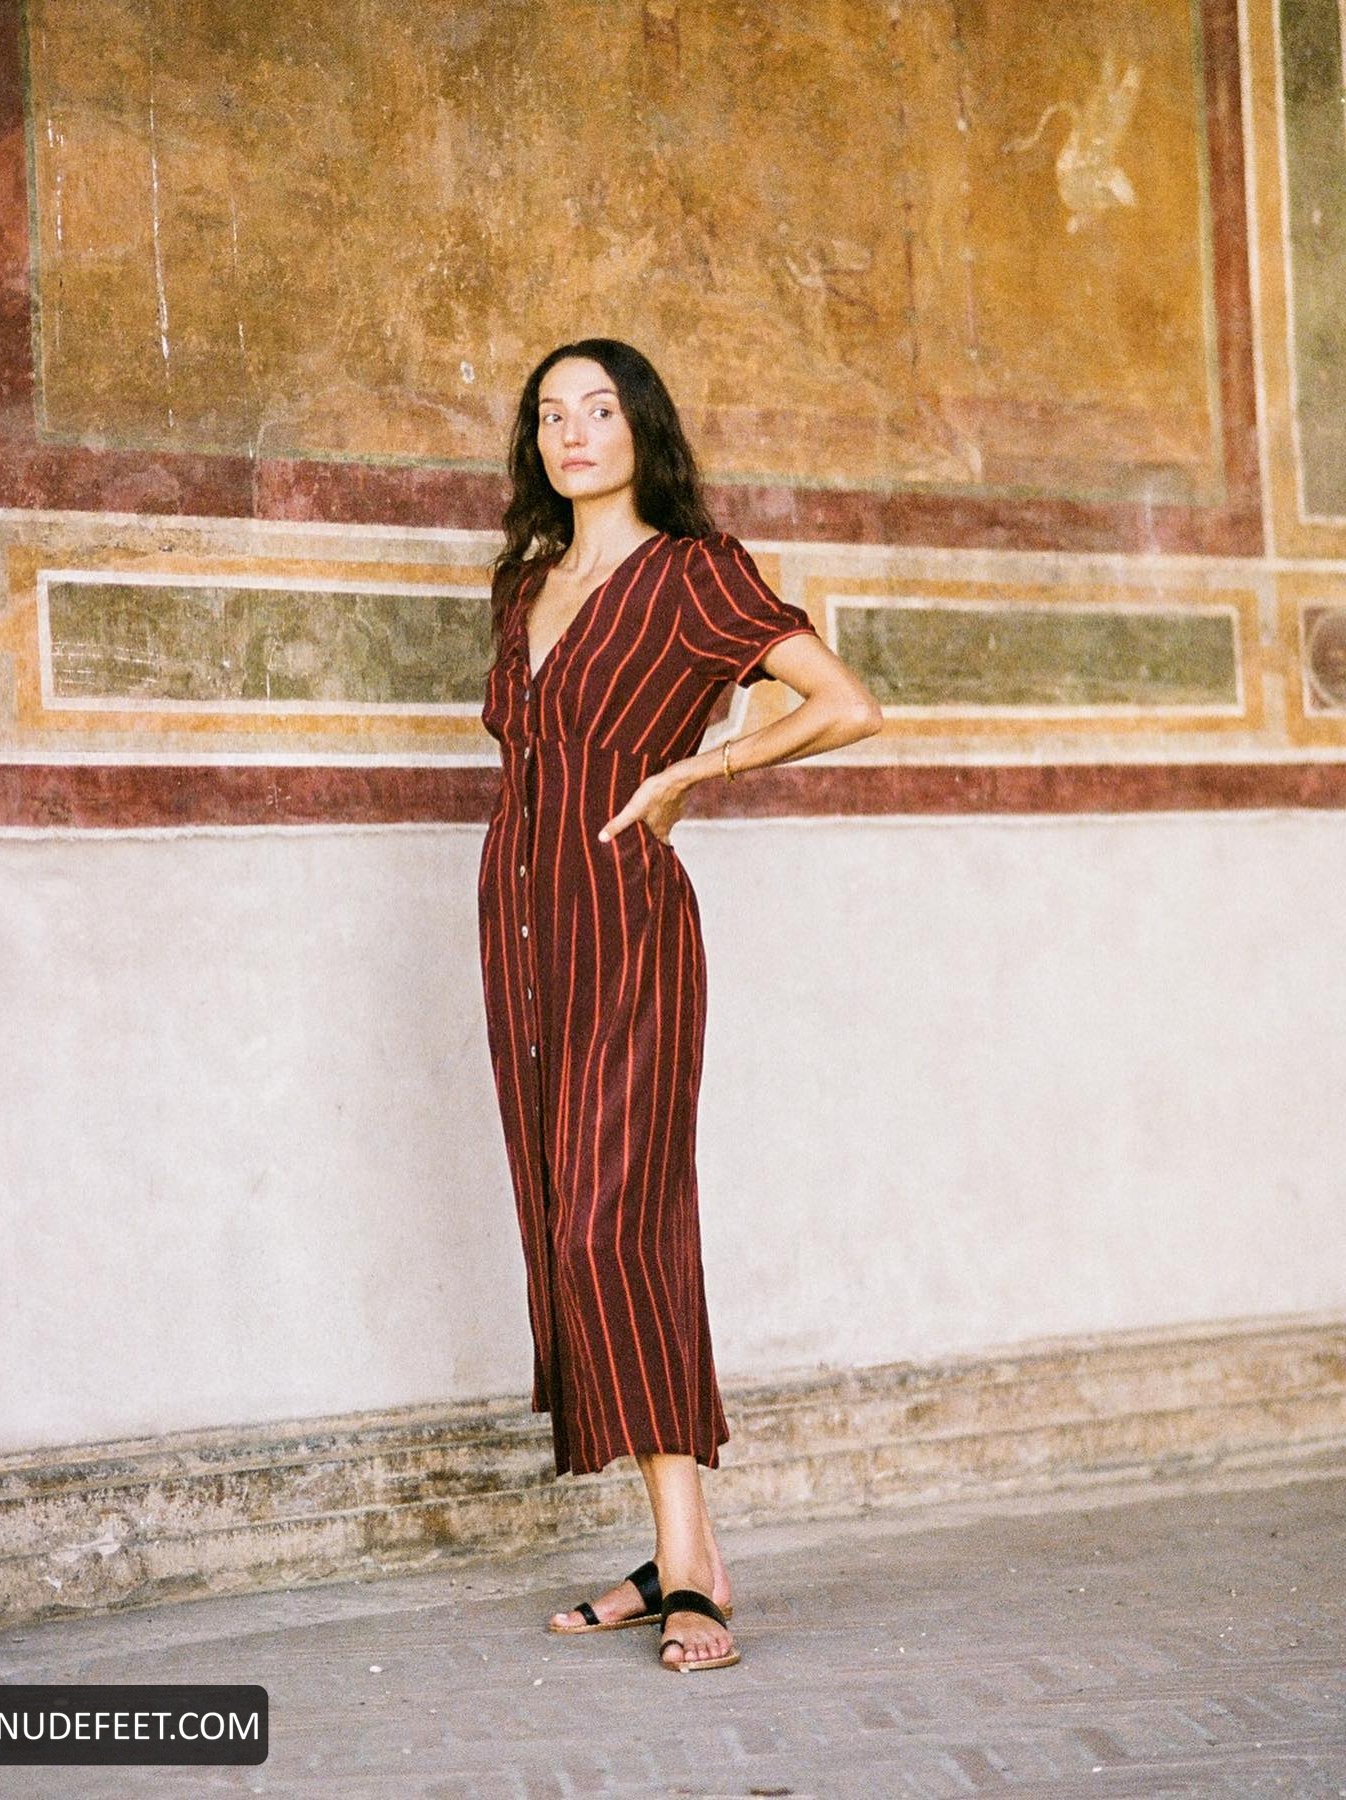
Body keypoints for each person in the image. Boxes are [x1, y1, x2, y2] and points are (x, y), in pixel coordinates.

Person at [476, 338, 883, 1672]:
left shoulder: (698, 575)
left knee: (616, 1224)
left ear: (642, 428)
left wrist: (699, 770)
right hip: (517, 925)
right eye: (552, 413)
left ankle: (693, 1557)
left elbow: (846, 705)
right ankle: (670, 1555)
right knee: (564, 1221)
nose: (574, 431)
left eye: (600, 409)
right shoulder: (526, 581)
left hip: (626, 923)